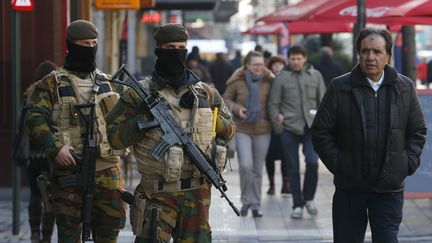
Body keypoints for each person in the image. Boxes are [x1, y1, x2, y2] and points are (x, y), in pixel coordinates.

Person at [105, 23, 235, 242]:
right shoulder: (138, 94)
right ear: (158, 50)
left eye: (181, 47)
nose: (176, 53)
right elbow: (113, 137)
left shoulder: (204, 93)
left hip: (197, 196)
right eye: (170, 48)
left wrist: (207, 116)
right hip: (156, 195)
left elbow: (230, 129)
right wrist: (144, 121)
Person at [311, 27, 427, 243]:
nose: (370, 57)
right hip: (350, 188)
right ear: (359, 53)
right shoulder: (340, 87)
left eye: (376, 51)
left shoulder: (405, 87)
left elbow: (418, 131)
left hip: (389, 189)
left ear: (388, 55)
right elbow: (320, 131)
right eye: (365, 51)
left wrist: (405, 163)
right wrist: (340, 163)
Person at [25, 20, 126, 242]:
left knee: (109, 235)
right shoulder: (50, 84)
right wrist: (55, 148)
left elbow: (123, 121)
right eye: (84, 43)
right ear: (71, 45)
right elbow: (33, 118)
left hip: (108, 174)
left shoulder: (108, 83)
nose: (89, 48)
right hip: (69, 173)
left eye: (93, 43)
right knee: (69, 235)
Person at [267, 45, 326, 219]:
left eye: (299, 58)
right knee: (292, 167)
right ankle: (297, 204)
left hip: (310, 128)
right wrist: (279, 127)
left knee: (312, 162)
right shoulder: (281, 78)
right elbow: (272, 104)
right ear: (288, 59)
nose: (295, 61)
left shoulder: (316, 76)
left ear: (305, 58)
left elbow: (323, 102)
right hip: (289, 128)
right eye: (292, 58)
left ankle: (309, 198)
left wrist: (322, 127)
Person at [223, 51, 274, 217]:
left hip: (263, 129)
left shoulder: (270, 80)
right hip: (242, 128)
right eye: (254, 64)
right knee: (245, 165)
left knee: (257, 169)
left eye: (261, 64)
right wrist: (238, 109)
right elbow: (226, 99)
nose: (258, 67)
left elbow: (277, 101)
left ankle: (255, 204)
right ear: (247, 65)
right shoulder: (238, 79)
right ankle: (246, 200)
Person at [23, 60, 57, 243]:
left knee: (35, 194)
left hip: (32, 155)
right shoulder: (55, 96)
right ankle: (46, 237)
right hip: (51, 154)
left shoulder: (28, 96)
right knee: (50, 198)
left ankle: (35, 234)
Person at [264, 55, 291, 195]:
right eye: (274, 65)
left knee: (285, 155)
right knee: (269, 157)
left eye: (280, 65)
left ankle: (286, 184)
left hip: (284, 123)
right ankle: (272, 184)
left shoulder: (288, 79)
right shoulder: (266, 81)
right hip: (268, 124)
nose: (277, 67)